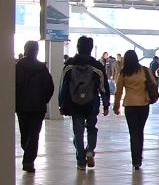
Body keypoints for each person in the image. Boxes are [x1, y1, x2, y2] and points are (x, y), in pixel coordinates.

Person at [59, 36, 110, 170]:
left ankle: (81, 162)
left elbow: (63, 86)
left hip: (74, 104)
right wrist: (106, 104)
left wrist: (61, 104)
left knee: (78, 132)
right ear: (91, 48)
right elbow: (103, 87)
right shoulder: (96, 66)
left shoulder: (69, 65)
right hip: (92, 103)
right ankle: (90, 150)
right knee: (92, 128)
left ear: (77, 47)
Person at [15, 41, 54, 172]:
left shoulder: (18, 67)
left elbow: (13, 86)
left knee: (25, 134)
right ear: (37, 51)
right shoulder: (42, 68)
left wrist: (16, 101)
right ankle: (29, 158)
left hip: (22, 107)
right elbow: (50, 87)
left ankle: (28, 160)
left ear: (25, 50)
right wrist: (44, 100)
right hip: (38, 107)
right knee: (34, 134)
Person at [113, 50, 156, 170]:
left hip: (130, 105)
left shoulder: (124, 73)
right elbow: (153, 83)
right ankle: (139, 158)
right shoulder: (144, 70)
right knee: (140, 131)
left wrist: (116, 105)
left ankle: (135, 161)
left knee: (133, 133)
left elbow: (118, 91)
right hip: (143, 104)